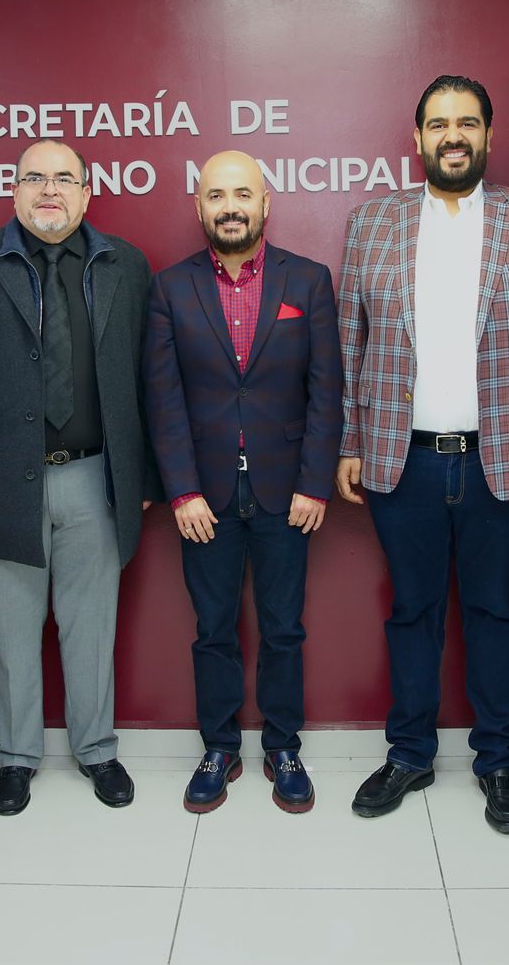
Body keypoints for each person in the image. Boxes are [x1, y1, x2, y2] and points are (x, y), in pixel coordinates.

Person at [335, 74, 509, 834]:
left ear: (488, 135)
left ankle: (498, 762)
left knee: (493, 614)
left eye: (466, 123)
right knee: (411, 613)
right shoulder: (372, 222)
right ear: (417, 139)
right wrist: (349, 439)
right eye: (439, 123)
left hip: (504, 457)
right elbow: (352, 342)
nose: (453, 135)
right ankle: (408, 753)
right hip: (399, 459)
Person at [0, 139, 159, 816]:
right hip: (4, 482)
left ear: (87, 193)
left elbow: (149, 380)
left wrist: (141, 473)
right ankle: (18, 757)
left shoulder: (125, 264)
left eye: (64, 178)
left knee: (92, 629)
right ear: (15, 191)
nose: (49, 190)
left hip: (97, 478)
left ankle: (97, 750)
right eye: (35, 178)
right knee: (12, 630)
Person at [144, 150, 343, 814]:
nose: (230, 207)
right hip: (204, 497)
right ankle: (219, 747)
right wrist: (181, 490)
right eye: (216, 196)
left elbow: (326, 391)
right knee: (213, 628)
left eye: (242, 194)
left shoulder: (308, 282)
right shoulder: (170, 289)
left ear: (265, 203)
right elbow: (162, 398)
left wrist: (315, 484)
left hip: (289, 493)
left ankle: (283, 747)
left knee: (284, 627)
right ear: (199, 207)